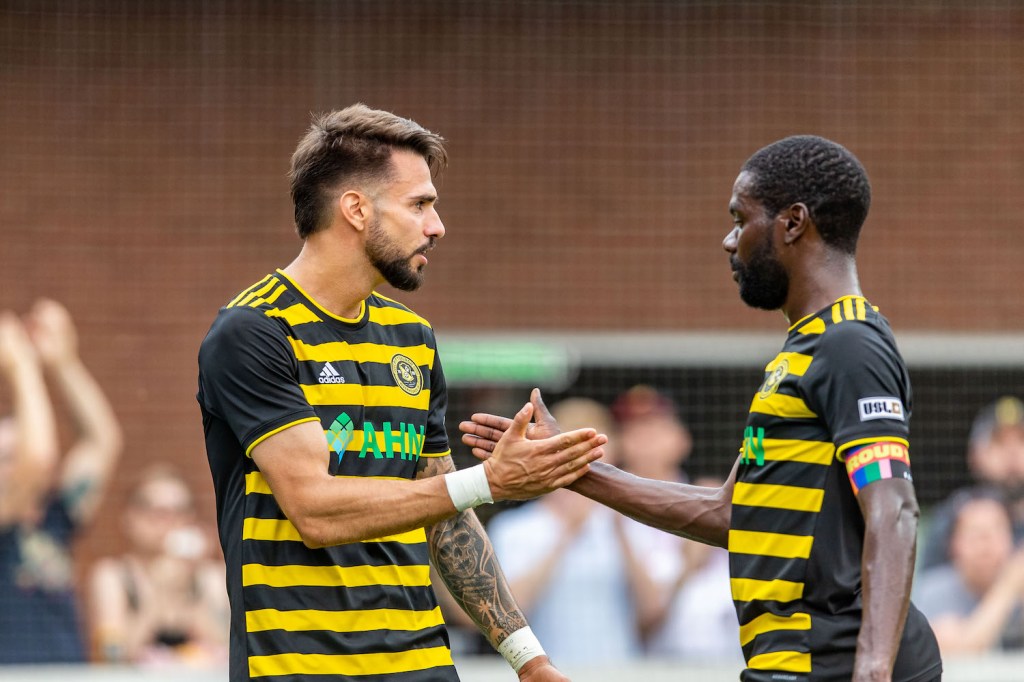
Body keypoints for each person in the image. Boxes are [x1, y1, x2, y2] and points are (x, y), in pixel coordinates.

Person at [462, 136, 942, 681]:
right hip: (793, 663)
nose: (729, 240)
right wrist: (575, 469)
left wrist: (874, 671)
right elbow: (728, 513)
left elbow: (894, 509)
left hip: (835, 663)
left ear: (793, 223)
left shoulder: (848, 343)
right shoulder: (802, 352)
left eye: (740, 219)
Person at [196, 104, 607, 682]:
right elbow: (314, 509)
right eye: (419, 204)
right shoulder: (252, 331)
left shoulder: (412, 339)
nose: (437, 226)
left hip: (423, 665)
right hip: (297, 669)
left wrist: (527, 658)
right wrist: (488, 480)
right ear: (356, 209)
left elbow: (445, 515)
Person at [0, 300, 123, 663]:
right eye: (6, 457)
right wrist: (20, 365)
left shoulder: (57, 514)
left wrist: (63, 362)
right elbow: (36, 460)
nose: (14, 465)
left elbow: (103, 440)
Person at [486, 397, 645, 664]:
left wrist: (622, 533)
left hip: (622, 670)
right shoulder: (514, 528)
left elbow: (654, 612)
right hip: (547, 672)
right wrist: (566, 535)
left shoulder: (628, 522)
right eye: (571, 447)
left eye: (594, 447)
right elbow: (505, 615)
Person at [89, 465, 229, 666]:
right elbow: (111, 658)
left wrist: (187, 586)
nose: (167, 522)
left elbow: (226, 648)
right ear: (130, 518)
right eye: (156, 512)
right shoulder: (113, 576)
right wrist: (159, 591)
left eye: (178, 511)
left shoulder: (210, 576)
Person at [919, 396, 1024, 572]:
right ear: (975, 455)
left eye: (1021, 441)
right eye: (999, 442)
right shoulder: (954, 515)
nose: (1012, 452)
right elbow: (928, 591)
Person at [914, 488, 1024, 654]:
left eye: (996, 531)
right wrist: (1007, 588)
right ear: (953, 544)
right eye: (974, 533)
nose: (985, 545)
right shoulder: (934, 591)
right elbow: (959, 650)